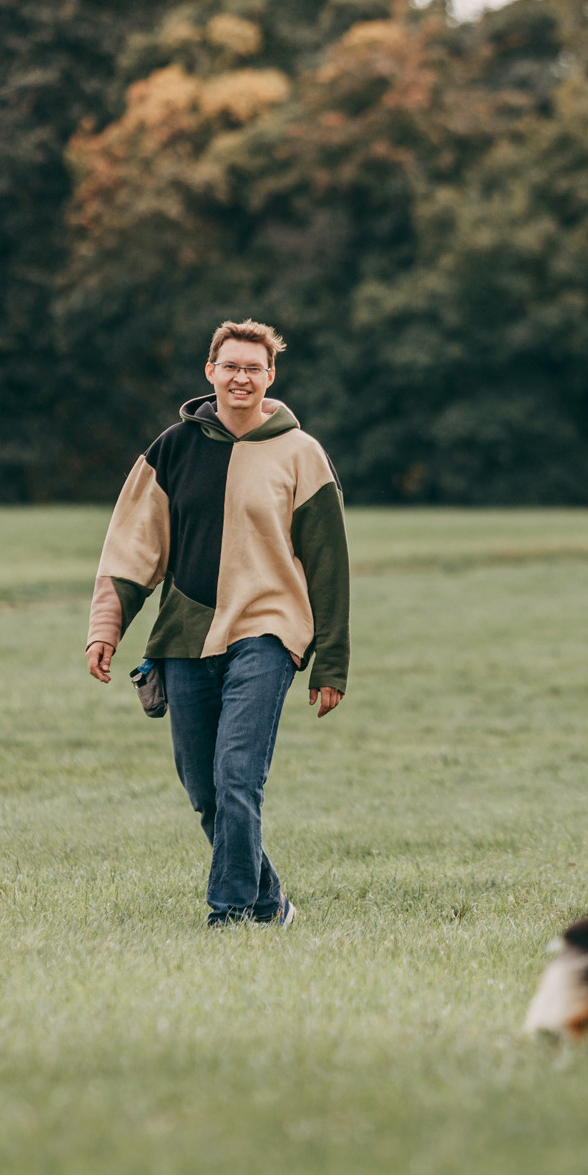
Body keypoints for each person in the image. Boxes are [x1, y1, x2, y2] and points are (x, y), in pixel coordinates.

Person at [85, 319, 349, 927]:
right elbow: (132, 547)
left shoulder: (301, 454)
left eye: (253, 368)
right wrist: (107, 626)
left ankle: (229, 917)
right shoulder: (172, 449)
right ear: (210, 371)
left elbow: (329, 567)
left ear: (270, 376)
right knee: (205, 791)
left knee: (237, 776)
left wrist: (330, 661)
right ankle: (270, 901)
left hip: (269, 633)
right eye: (230, 365)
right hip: (186, 636)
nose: (241, 377)